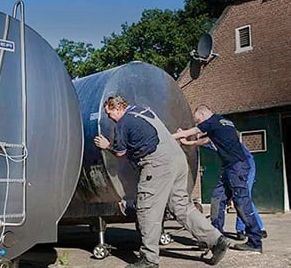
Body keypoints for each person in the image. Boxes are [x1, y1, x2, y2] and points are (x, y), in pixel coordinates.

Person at [94, 96, 230, 268]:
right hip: (178, 160)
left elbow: (120, 152)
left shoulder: (124, 122)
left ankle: (149, 259)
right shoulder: (144, 111)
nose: (109, 117)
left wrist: (106, 145)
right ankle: (216, 240)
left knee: (147, 209)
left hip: (158, 164)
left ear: (117, 108)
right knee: (182, 206)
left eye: (109, 113)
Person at [172, 105, 263, 253]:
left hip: (236, 168)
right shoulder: (224, 122)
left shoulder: (213, 121)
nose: (198, 123)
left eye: (198, 120)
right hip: (229, 168)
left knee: (241, 204)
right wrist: (189, 143)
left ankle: (255, 241)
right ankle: (215, 238)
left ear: (203, 114)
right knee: (217, 200)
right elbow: (208, 139)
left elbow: (194, 131)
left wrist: (170, 137)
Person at [179, 135, 268, 240]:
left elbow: (207, 141)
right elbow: (207, 143)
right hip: (228, 167)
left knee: (242, 198)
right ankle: (216, 231)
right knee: (217, 199)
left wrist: (188, 141)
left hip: (243, 165)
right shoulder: (216, 138)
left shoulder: (220, 133)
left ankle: (245, 229)